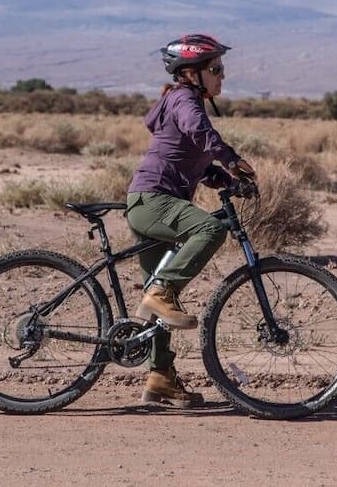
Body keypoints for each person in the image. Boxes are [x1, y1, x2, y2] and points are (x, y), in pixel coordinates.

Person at [125, 33, 255, 408]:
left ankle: (160, 377)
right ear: (191, 74)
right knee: (209, 229)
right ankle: (161, 294)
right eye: (215, 69)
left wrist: (225, 178)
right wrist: (232, 159)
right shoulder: (185, 99)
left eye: (222, 69)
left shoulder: (180, 99)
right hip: (154, 200)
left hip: (152, 201)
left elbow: (192, 157)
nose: (222, 77)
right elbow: (201, 134)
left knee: (160, 297)